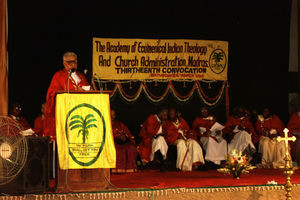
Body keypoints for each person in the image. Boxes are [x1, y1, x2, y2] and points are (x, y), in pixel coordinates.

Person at [44, 52, 90, 141]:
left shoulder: (81, 76)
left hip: (80, 112)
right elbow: (51, 93)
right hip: (65, 112)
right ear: (64, 63)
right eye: (70, 62)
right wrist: (74, 91)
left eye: (75, 62)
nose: (73, 64)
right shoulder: (58, 76)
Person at [111, 109, 138, 173]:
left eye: (113, 115)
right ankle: (118, 169)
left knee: (131, 148)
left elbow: (128, 133)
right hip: (113, 143)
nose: (112, 117)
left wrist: (125, 137)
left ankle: (130, 168)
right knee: (118, 150)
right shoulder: (105, 124)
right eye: (110, 114)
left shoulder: (119, 124)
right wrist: (116, 137)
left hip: (123, 142)